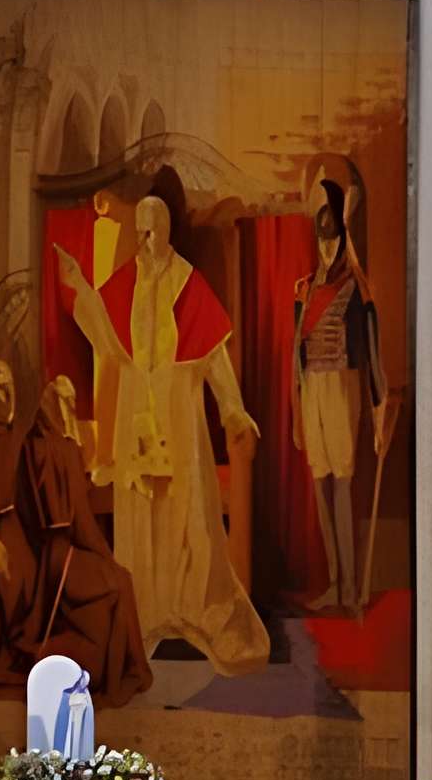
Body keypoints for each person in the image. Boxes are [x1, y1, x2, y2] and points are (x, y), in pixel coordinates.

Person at [56, 194, 273, 669]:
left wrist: (233, 410)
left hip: (179, 413)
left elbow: (213, 356)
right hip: (138, 411)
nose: (144, 237)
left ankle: (194, 610)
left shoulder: (185, 281)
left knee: (188, 513)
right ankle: (147, 613)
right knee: (143, 516)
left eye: (152, 227)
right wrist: (78, 286)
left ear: (168, 229)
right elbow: (108, 340)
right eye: (140, 228)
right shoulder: (128, 281)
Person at [0, 358, 154, 706]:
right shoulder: (0, 440)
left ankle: (114, 669)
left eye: (11, 387)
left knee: (112, 584)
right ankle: (101, 670)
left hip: (31, 541)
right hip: (13, 541)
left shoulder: (27, 437)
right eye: (1, 388)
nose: (8, 394)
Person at [293, 168, 395, 617]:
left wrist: (378, 407)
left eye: (333, 240)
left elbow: (370, 352)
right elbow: (296, 357)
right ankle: (335, 583)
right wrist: (297, 410)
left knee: (342, 486)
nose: (327, 248)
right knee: (319, 485)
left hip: (344, 385)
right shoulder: (304, 289)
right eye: (322, 240)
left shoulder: (356, 288)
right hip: (313, 389)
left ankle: (352, 588)